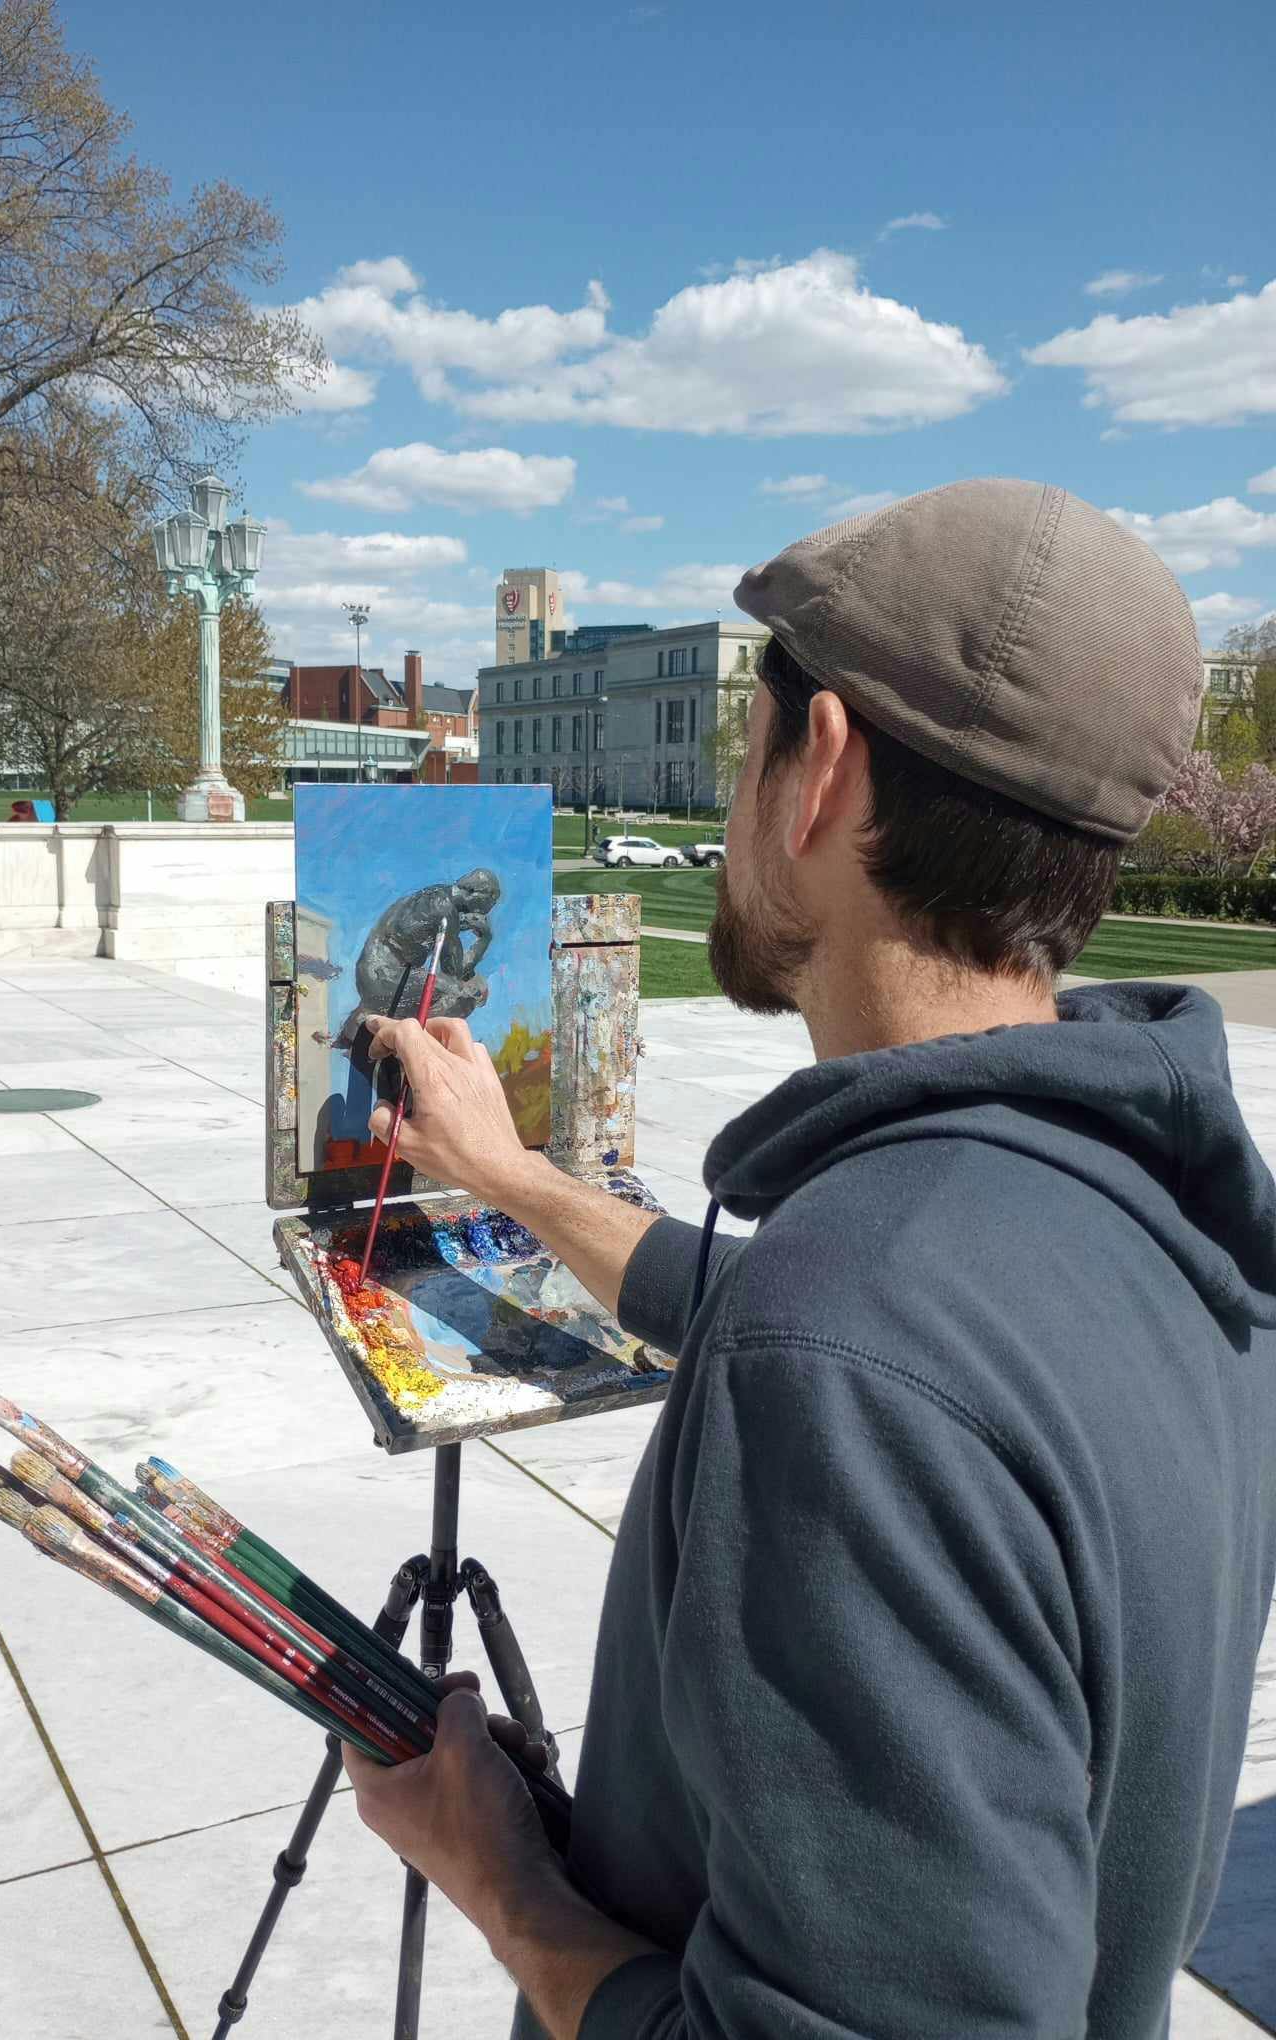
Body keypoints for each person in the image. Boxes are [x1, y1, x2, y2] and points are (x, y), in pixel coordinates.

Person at [342, 479, 1276, 2039]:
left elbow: (850, 1369)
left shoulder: (854, 1350)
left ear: (819, 770)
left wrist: (504, 1881)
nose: (729, 808)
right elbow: (864, 1351)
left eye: (744, 751)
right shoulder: (1158, 1219)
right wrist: (510, 1177)